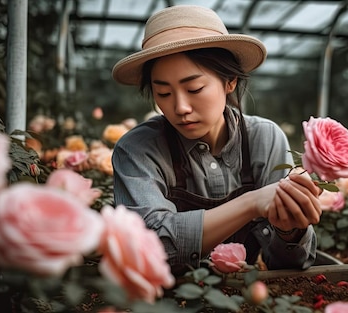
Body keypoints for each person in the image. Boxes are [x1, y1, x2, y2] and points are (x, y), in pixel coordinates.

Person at [111, 5, 322, 274]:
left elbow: (292, 265)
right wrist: (252, 203)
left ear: (230, 81)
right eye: (163, 93)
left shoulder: (265, 139)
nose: (180, 107)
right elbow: (144, 246)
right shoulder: (137, 149)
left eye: (194, 88)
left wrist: (290, 229)